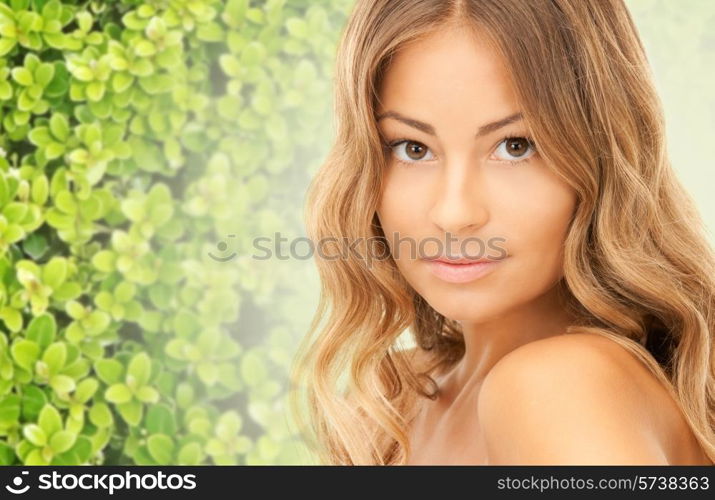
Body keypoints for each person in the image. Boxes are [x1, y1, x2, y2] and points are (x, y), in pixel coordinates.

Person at [290, 0, 715, 465]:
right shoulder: (392, 400)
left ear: (602, 158)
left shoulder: (559, 387)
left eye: (516, 147)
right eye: (413, 148)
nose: (454, 215)